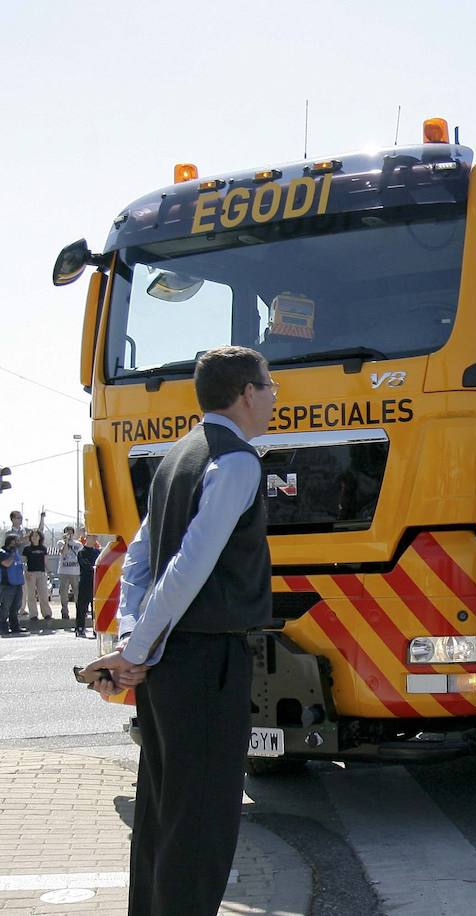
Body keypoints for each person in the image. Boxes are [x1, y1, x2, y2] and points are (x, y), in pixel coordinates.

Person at [79, 345, 276, 915]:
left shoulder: (176, 457)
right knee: (203, 819)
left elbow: (139, 560)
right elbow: (191, 565)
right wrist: (136, 648)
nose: (273, 397)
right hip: (208, 661)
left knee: (162, 810)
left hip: (168, 665)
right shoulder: (237, 461)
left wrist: (132, 642)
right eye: (269, 387)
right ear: (246, 393)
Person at [22, 530, 51, 632]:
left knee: (43, 594)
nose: (35, 537)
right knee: (31, 595)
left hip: (41, 573)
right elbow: (24, 562)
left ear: (40, 537)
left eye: (36, 536)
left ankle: (47, 613)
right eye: (33, 536)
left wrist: (49, 571)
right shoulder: (27, 549)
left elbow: (45, 562)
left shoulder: (43, 548)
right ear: (30, 538)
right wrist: (26, 572)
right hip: (31, 573)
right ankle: (33, 614)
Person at [75, 534, 101, 638]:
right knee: (82, 606)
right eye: (91, 536)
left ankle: (96, 628)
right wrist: (94, 567)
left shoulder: (98, 552)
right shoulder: (82, 552)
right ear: (86, 538)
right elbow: (85, 565)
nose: (94, 538)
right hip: (85, 581)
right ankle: (80, 627)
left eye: (95, 536)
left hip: (96, 582)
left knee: (95, 607)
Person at [1, 534, 26, 635]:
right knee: (5, 607)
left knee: (16, 606)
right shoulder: (3, 552)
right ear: (11, 541)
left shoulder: (16, 553)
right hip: (7, 584)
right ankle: (2, 627)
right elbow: (7, 563)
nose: (18, 543)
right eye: (16, 541)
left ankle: (15, 626)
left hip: (17, 583)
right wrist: (12, 553)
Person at [56, 526, 81, 618]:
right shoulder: (60, 543)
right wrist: (66, 542)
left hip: (75, 571)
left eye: (70, 533)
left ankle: (80, 611)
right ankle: (64, 611)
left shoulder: (78, 544)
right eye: (67, 532)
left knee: (77, 593)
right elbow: (64, 553)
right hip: (64, 571)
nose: (69, 534)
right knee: (63, 592)